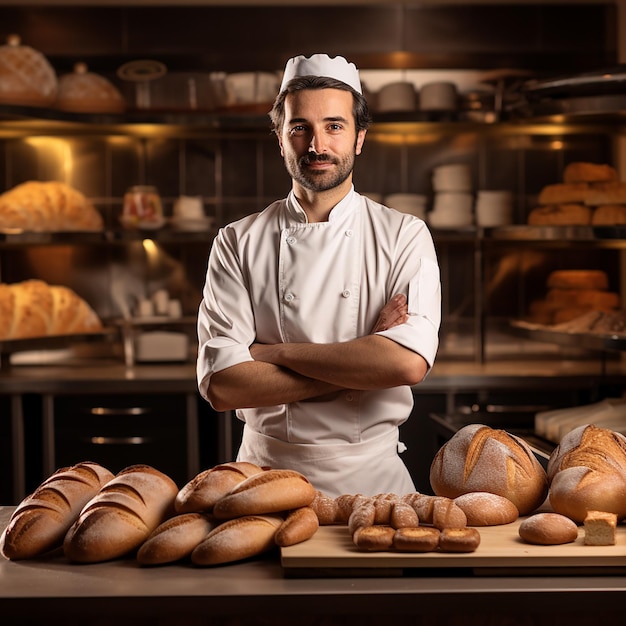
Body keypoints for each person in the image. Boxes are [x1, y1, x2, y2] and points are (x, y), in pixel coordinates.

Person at [197, 53, 441, 497]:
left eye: (334, 126)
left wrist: (271, 354)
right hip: (261, 484)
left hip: (373, 485)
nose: (317, 145)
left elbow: (406, 363)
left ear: (359, 138)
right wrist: (362, 362)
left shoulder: (405, 235)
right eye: (299, 128)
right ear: (280, 137)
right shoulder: (236, 241)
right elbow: (224, 386)